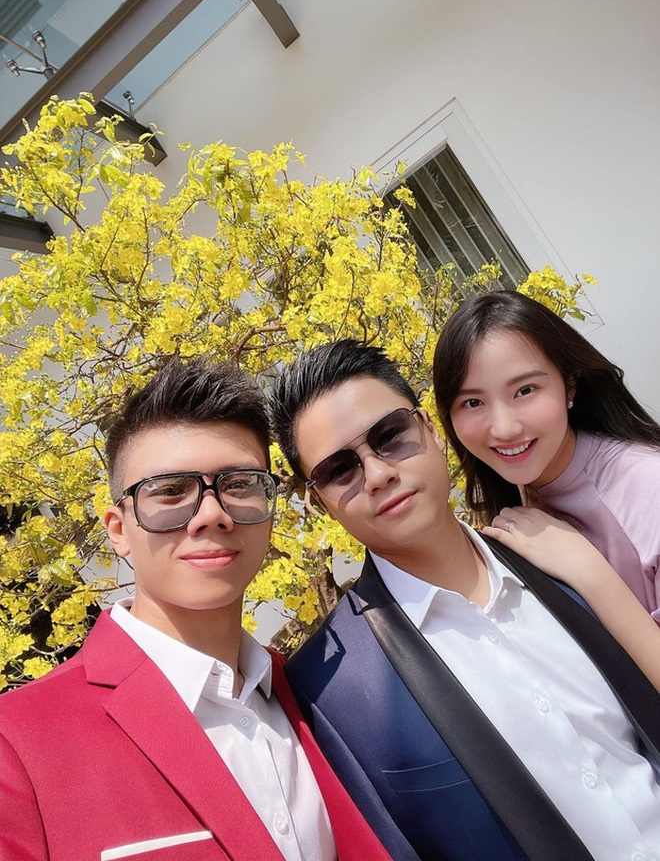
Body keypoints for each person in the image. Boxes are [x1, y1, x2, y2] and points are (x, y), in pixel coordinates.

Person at [270, 338, 660, 861]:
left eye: (390, 436)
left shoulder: (566, 556)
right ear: (320, 502)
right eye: (340, 470)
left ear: (431, 429)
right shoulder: (330, 690)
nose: (379, 474)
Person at [0, 358, 391, 861]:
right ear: (119, 530)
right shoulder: (17, 744)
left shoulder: (314, 694)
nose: (212, 514)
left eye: (240, 484)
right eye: (169, 491)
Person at [433, 289, 660, 621]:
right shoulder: (520, 498)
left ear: (570, 385)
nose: (504, 428)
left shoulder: (648, 487)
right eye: (473, 402)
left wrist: (588, 571)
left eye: (525, 390)